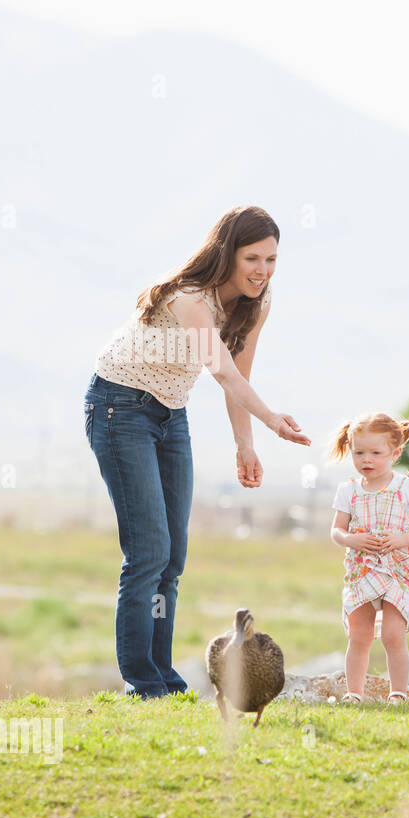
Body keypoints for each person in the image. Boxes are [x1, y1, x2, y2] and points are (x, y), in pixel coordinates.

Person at [84, 206, 310, 698]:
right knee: (148, 552)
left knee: (174, 558)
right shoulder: (190, 299)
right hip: (119, 409)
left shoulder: (258, 301)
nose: (263, 271)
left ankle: (162, 674)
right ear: (226, 254)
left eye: (272, 259)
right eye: (253, 258)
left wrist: (245, 443)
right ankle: (142, 682)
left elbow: (240, 374)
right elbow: (222, 372)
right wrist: (272, 421)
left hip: (170, 414)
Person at [328, 413, 409, 701]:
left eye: (376, 453)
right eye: (359, 452)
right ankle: (354, 692)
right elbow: (337, 531)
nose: (367, 459)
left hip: (395, 571)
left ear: (395, 453)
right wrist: (353, 539)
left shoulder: (407, 486)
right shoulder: (348, 490)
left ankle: (398, 692)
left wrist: (402, 539)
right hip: (361, 571)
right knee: (359, 635)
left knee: (393, 635)